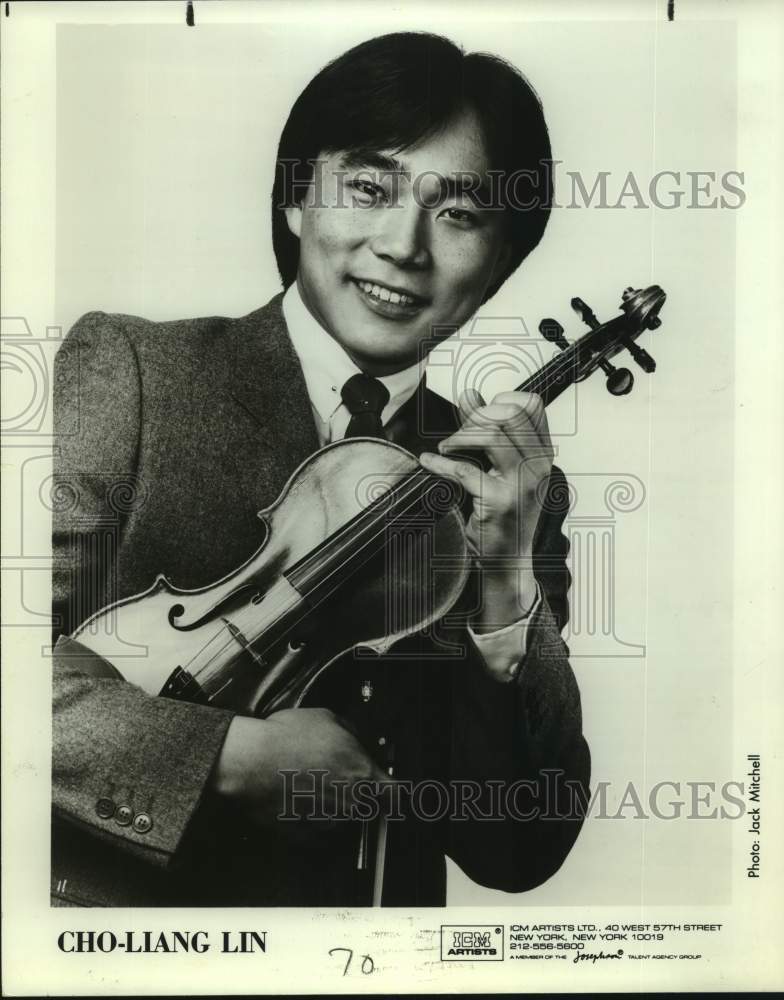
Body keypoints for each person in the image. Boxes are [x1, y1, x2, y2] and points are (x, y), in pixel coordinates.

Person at [51, 31, 590, 907]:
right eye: (369, 189)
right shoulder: (137, 374)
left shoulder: (511, 490)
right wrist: (218, 757)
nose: (404, 246)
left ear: (500, 263)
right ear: (297, 196)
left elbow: (518, 847)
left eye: (459, 215)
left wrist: (507, 583)